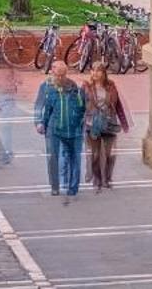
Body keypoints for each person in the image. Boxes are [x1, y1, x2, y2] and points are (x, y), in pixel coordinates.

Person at [34, 60, 86, 203]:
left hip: (70, 127)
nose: (61, 78)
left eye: (63, 75)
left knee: (71, 156)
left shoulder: (73, 86)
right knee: (53, 156)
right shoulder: (45, 87)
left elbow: (80, 105)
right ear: (52, 71)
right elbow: (39, 106)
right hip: (52, 126)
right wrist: (39, 122)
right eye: (58, 75)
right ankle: (55, 185)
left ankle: (72, 186)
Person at [82, 64, 129, 192]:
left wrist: (124, 123)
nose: (95, 73)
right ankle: (97, 179)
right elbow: (80, 105)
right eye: (93, 70)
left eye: (99, 71)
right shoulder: (86, 86)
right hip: (92, 124)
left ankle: (107, 178)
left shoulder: (111, 86)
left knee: (110, 154)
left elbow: (118, 105)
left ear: (104, 73)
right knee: (95, 154)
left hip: (109, 123)